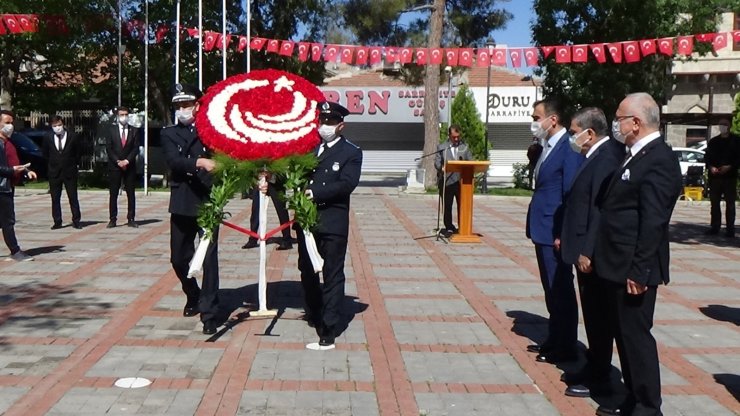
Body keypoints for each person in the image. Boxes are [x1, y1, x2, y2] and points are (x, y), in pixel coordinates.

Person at [593, 93, 682, 416]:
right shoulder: (634, 154)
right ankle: (632, 396)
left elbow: (654, 221)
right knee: (624, 335)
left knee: (636, 337)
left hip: (634, 267)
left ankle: (647, 405)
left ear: (636, 123)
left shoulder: (659, 159)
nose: (615, 124)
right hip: (617, 262)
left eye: (619, 118)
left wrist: (640, 271)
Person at [556, 107, 624, 399]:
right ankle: (594, 366)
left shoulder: (606, 157)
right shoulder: (593, 155)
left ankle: (601, 378)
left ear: (590, 133)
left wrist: (586, 250)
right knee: (593, 318)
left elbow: (600, 210)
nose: (572, 137)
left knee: (599, 319)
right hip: (582, 249)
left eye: (573, 132)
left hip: (592, 254)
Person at [298, 101, 362, 351]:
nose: (324, 126)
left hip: (333, 222)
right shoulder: (310, 149)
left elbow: (347, 184)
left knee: (332, 273)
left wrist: (315, 192)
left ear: (341, 125)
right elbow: (295, 177)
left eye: (330, 122)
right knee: (307, 270)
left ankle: (329, 326)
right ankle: (315, 312)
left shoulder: (351, 152)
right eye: (322, 121)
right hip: (307, 222)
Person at [525, 97, 584, 364]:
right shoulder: (545, 146)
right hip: (541, 227)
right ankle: (554, 337)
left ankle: (566, 345)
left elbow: (569, 192)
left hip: (554, 229)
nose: (533, 123)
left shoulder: (568, 147)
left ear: (553, 119)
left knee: (560, 287)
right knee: (550, 287)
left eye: (537, 118)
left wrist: (564, 232)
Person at [161, 83, 221, 335]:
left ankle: (210, 313)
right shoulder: (168, 133)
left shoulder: (212, 131)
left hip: (207, 200)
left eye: (186, 105)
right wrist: (198, 161)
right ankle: (192, 293)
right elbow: (174, 162)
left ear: (197, 105)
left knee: (208, 260)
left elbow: (223, 159)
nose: (182, 110)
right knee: (178, 258)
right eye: (178, 106)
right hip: (182, 200)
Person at [0, 110, 38, 261]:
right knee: (8, 221)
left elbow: (13, 162)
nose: (10, 126)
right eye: (7, 123)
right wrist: (11, 171)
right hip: (2, 188)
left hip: (7, 185)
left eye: (11, 123)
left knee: (5, 221)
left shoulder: (8, 143)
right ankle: (15, 251)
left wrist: (25, 171)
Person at [42, 115, 82, 229]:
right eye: (55, 126)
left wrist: (73, 164)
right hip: (54, 172)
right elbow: (45, 153)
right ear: (51, 126)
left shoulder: (73, 136)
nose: (57, 127)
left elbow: (78, 152)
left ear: (63, 124)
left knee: (73, 197)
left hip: (70, 171)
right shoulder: (48, 137)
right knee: (55, 198)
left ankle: (76, 220)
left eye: (59, 125)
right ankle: (57, 221)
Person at [434, 125, 473, 237]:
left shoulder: (464, 147)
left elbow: (470, 161)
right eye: (454, 137)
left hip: (462, 182)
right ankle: (449, 227)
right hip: (447, 182)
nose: (456, 139)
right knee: (447, 206)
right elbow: (437, 162)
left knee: (463, 205)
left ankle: (463, 226)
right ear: (449, 135)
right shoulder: (442, 147)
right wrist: (441, 167)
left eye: (458, 137)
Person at [704, 117, 738, 237]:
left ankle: (730, 229)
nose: (722, 126)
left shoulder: (736, 141)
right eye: (720, 124)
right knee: (715, 203)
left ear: (729, 126)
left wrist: (729, 167)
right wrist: (711, 167)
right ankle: (715, 226)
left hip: (730, 177)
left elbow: (738, 159)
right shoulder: (713, 142)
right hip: (715, 178)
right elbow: (707, 157)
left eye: (724, 124)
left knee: (730, 204)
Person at [105, 106, 139, 228]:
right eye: (121, 115)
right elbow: (109, 148)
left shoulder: (134, 130)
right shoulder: (111, 130)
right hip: (115, 166)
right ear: (117, 116)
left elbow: (135, 148)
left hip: (129, 166)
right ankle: (112, 219)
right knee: (113, 194)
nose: (124, 117)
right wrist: (118, 161)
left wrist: (127, 161)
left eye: (126, 114)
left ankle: (131, 218)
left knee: (131, 193)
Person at [241, 175, 293, 250]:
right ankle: (253, 239)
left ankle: (287, 240)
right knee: (255, 210)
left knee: (281, 211)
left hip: (275, 180)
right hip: (260, 181)